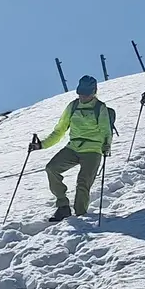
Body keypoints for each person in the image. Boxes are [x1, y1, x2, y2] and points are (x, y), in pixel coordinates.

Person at [32, 76, 115, 222]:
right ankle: (63, 206)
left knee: (83, 182)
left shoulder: (100, 108)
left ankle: (80, 215)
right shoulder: (73, 106)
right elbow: (59, 130)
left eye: (86, 93)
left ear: (94, 92)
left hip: (93, 149)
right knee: (52, 168)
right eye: (80, 93)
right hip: (73, 147)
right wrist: (41, 145)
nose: (82, 96)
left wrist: (106, 146)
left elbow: (105, 130)